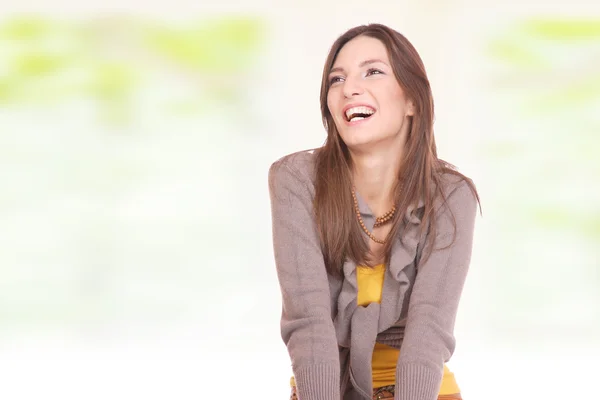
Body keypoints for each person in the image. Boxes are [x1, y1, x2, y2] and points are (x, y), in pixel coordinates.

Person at [268, 23, 480, 400]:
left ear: (412, 100)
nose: (349, 88)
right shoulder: (295, 180)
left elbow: (429, 330)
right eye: (336, 79)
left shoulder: (451, 195)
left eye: (373, 71)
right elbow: (309, 324)